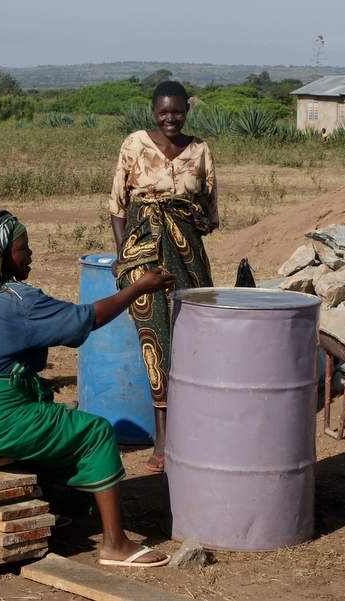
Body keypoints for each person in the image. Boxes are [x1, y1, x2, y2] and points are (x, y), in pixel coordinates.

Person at [0, 210, 174, 568]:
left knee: (47, 411)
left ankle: (57, 502)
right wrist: (139, 287)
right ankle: (115, 544)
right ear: (3, 255)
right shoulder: (18, 300)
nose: (30, 254)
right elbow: (86, 319)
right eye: (23, 249)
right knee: (94, 432)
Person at [109, 81, 219, 473]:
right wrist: (125, 255)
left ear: (186, 110)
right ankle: (162, 437)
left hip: (187, 257)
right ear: (152, 111)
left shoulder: (200, 150)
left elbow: (208, 209)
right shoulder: (135, 144)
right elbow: (118, 205)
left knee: (193, 337)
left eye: (177, 111)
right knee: (155, 341)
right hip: (144, 256)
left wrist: (180, 218)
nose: (170, 118)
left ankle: (194, 429)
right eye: (162, 112)